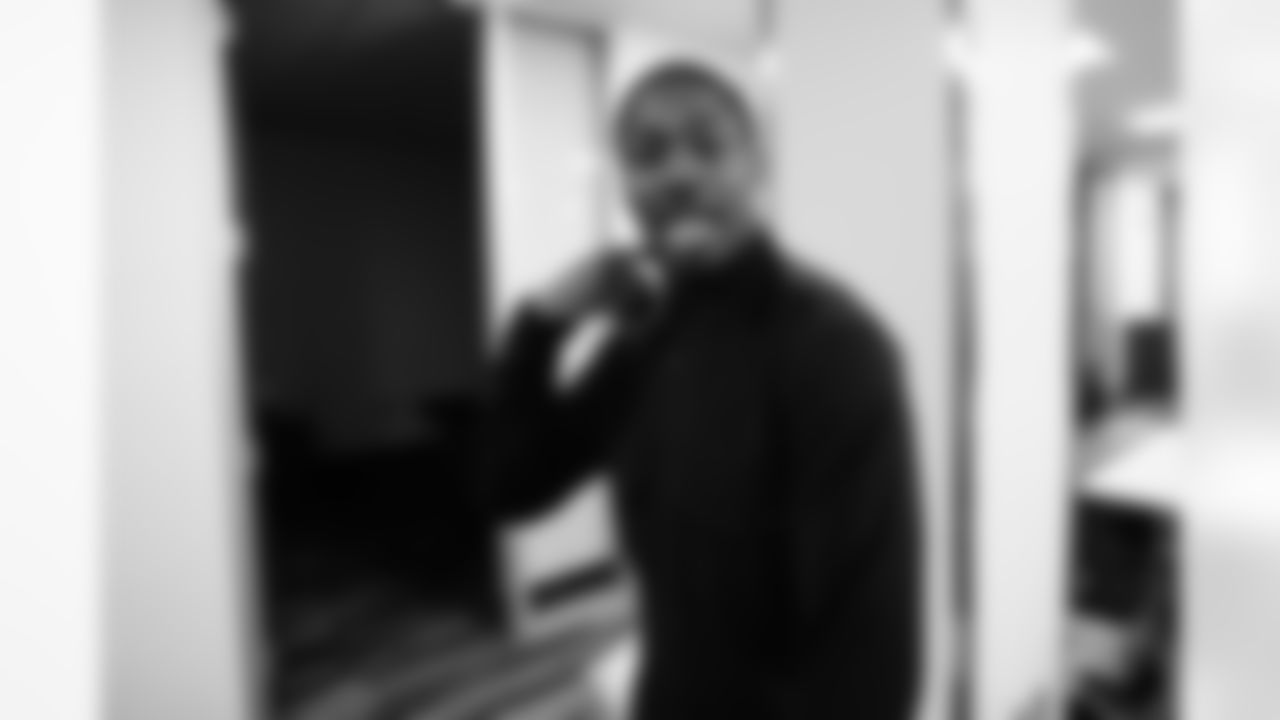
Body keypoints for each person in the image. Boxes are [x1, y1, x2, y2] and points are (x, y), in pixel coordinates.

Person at [477, 59, 922, 720]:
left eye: (709, 146)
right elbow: (510, 485)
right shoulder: (641, 345)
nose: (679, 175)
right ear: (625, 187)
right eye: (647, 154)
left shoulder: (835, 344)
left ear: (757, 166)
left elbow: (873, 649)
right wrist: (538, 326)